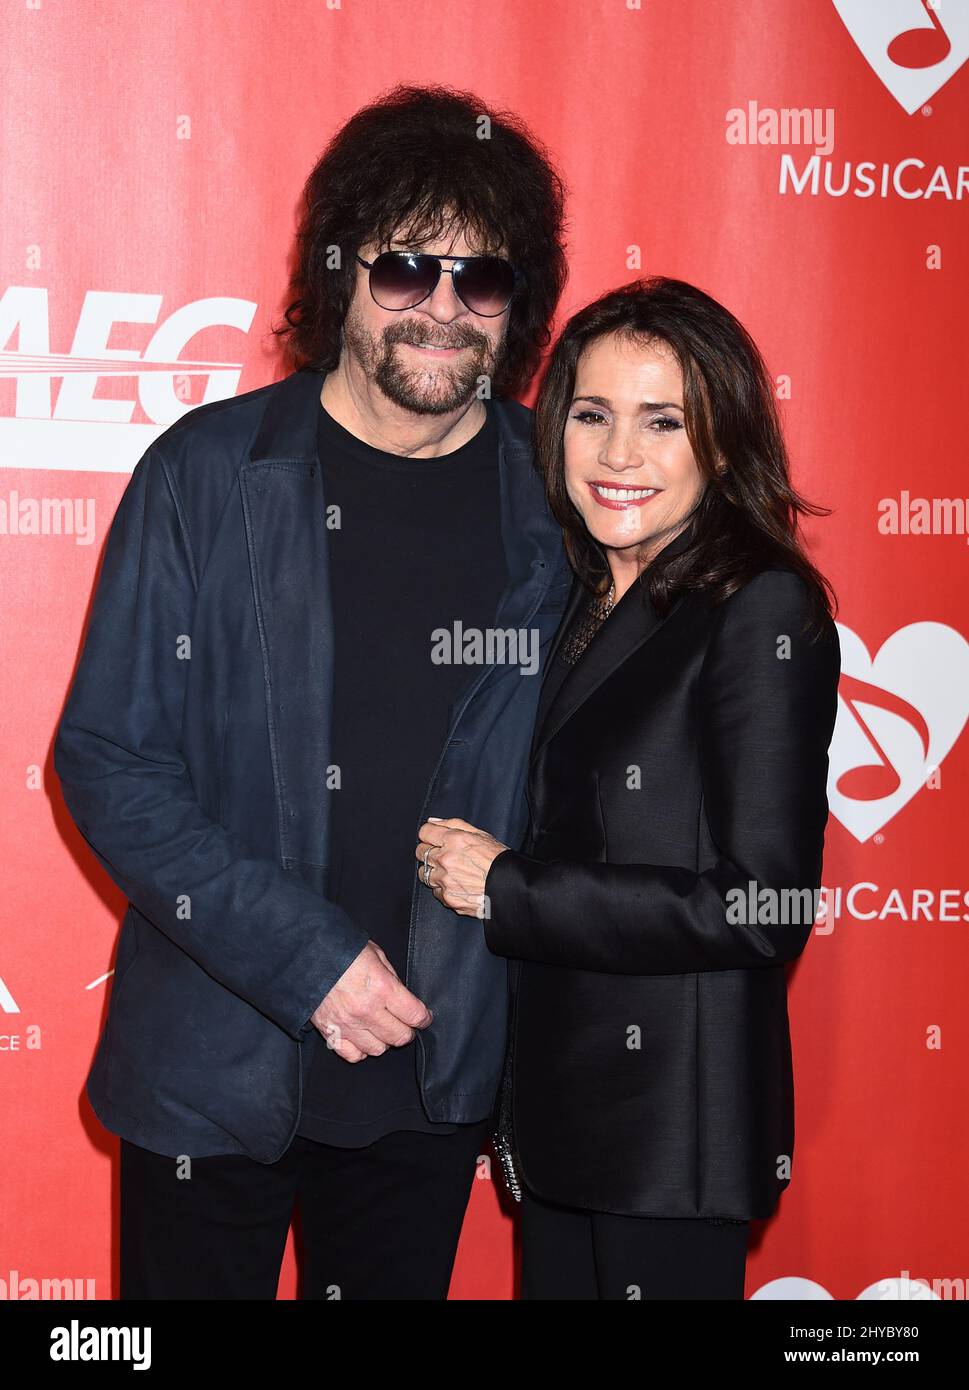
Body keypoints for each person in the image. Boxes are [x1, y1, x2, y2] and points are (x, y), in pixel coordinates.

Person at [53, 83, 571, 1300]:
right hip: (212, 1061)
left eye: (480, 279)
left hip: (433, 1077)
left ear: (518, 305)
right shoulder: (205, 473)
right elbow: (109, 759)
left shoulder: (556, 496)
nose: (442, 309)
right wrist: (307, 961)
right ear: (337, 273)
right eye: (405, 269)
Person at [416, 276, 842, 1300]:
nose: (618, 456)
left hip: (668, 1142)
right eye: (593, 415)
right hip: (563, 1123)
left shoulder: (758, 604)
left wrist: (505, 889)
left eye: (664, 422)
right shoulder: (581, 591)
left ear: (725, 443)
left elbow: (762, 906)